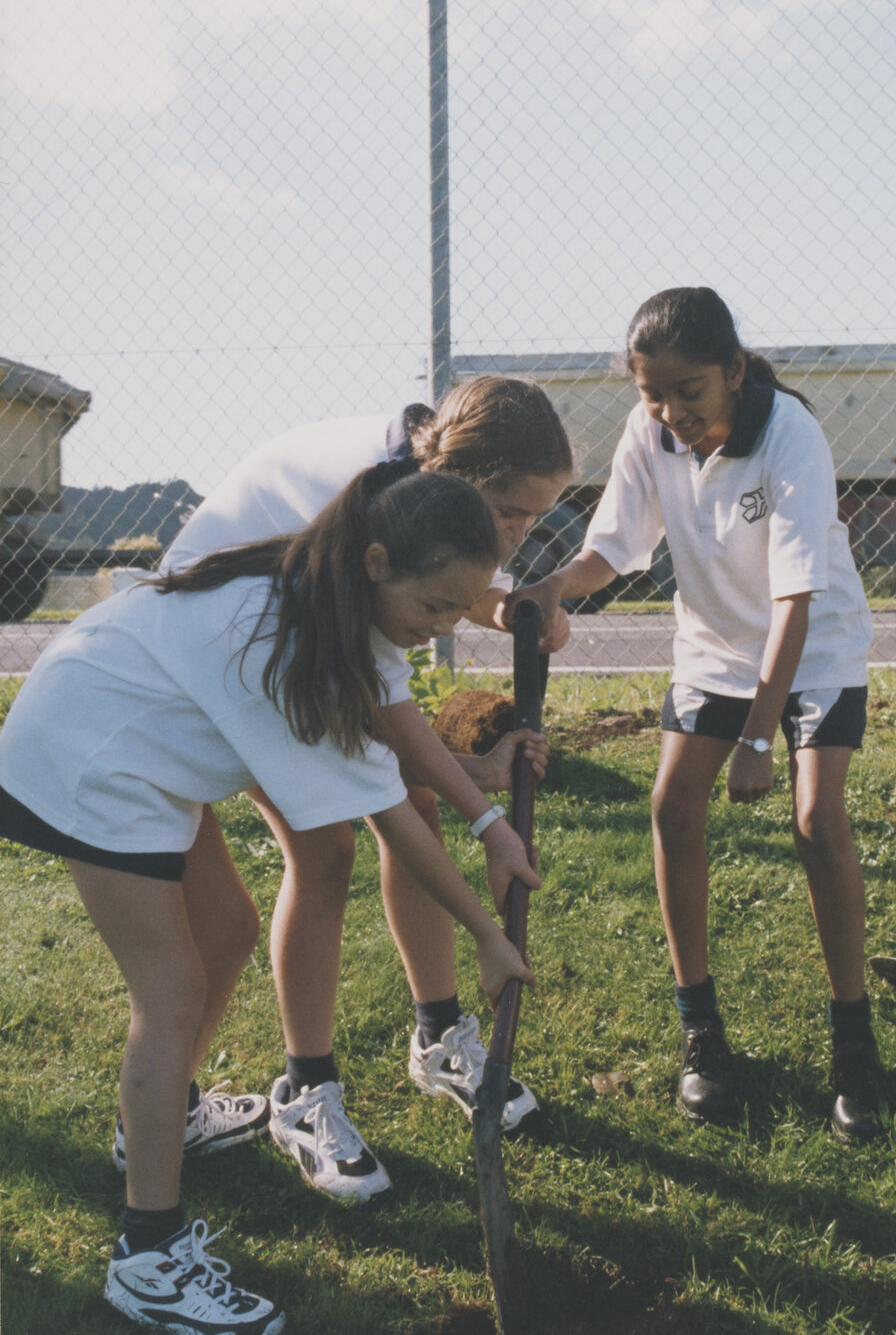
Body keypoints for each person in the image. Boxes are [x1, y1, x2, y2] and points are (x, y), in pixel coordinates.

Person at [0, 464, 539, 1335]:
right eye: (436, 607)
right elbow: (392, 813)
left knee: (230, 930)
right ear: (377, 561)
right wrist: (483, 929)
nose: (441, 628)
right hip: (90, 755)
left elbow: (400, 722)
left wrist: (490, 827)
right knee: (170, 990)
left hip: (138, 741)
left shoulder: (336, 593)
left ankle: (159, 1124)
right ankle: (149, 1258)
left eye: (457, 611)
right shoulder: (289, 645)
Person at [158, 377, 573, 1202]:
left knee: (410, 807)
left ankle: (438, 1037)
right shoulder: (359, 507)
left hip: (285, 641)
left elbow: (396, 680)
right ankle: (304, 1092)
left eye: (536, 517)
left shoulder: (416, 487)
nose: (521, 535)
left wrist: (503, 610)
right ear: (462, 474)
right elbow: (380, 701)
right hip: (224, 660)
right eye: (511, 511)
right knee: (327, 844)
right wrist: (484, 809)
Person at [509, 287, 881, 1144]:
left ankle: (854, 1046)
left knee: (818, 819)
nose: (672, 413)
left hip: (813, 642)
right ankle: (702, 1036)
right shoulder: (653, 434)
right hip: (715, 647)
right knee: (673, 806)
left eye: (691, 392)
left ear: (735, 371)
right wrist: (551, 588)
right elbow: (613, 549)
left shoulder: (791, 433)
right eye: (653, 395)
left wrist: (760, 734)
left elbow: (795, 599)